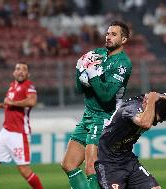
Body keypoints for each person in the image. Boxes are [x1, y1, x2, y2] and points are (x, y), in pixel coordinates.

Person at [61, 20, 132, 189]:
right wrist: (79, 70)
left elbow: (107, 96)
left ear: (124, 40)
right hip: (88, 115)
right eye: (107, 33)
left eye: (114, 34)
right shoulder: (97, 54)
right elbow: (79, 88)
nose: (108, 37)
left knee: (91, 167)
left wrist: (91, 75)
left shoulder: (122, 63)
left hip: (105, 117)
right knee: (68, 164)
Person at [95, 89, 166, 189]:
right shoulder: (131, 108)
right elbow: (145, 123)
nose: (155, 123)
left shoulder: (152, 100)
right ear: (148, 105)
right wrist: (152, 99)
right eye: (155, 119)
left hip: (128, 161)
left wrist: (163, 96)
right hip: (109, 164)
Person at [0, 62, 44, 189]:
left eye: (24, 69)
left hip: (19, 134)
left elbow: (32, 101)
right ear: (14, 72)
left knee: (24, 170)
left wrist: (11, 102)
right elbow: (11, 104)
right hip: (5, 131)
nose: (20, 71)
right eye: (18, 69)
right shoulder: (12, 85)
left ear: (28, 74)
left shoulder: (29, 86)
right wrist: (0, 105)